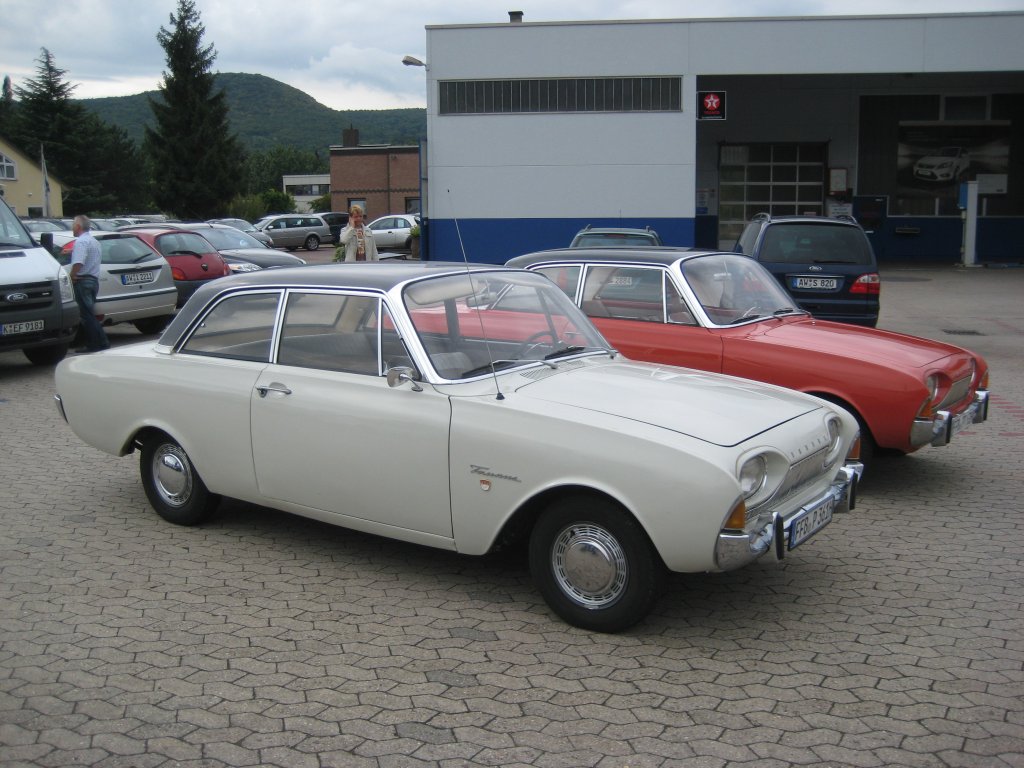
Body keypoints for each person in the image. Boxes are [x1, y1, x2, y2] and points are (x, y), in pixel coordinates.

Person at [68, 215, 110, 353]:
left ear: (78, 226)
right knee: (89, 314)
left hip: (83, 281)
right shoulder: (94, 241)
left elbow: (78, 262)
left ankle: (97, 343)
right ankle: (101, 342)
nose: (72, 228)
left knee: (86, 315)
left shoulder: (80, 242)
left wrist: (72, 275)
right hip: (93, 281)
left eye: (73, 225)